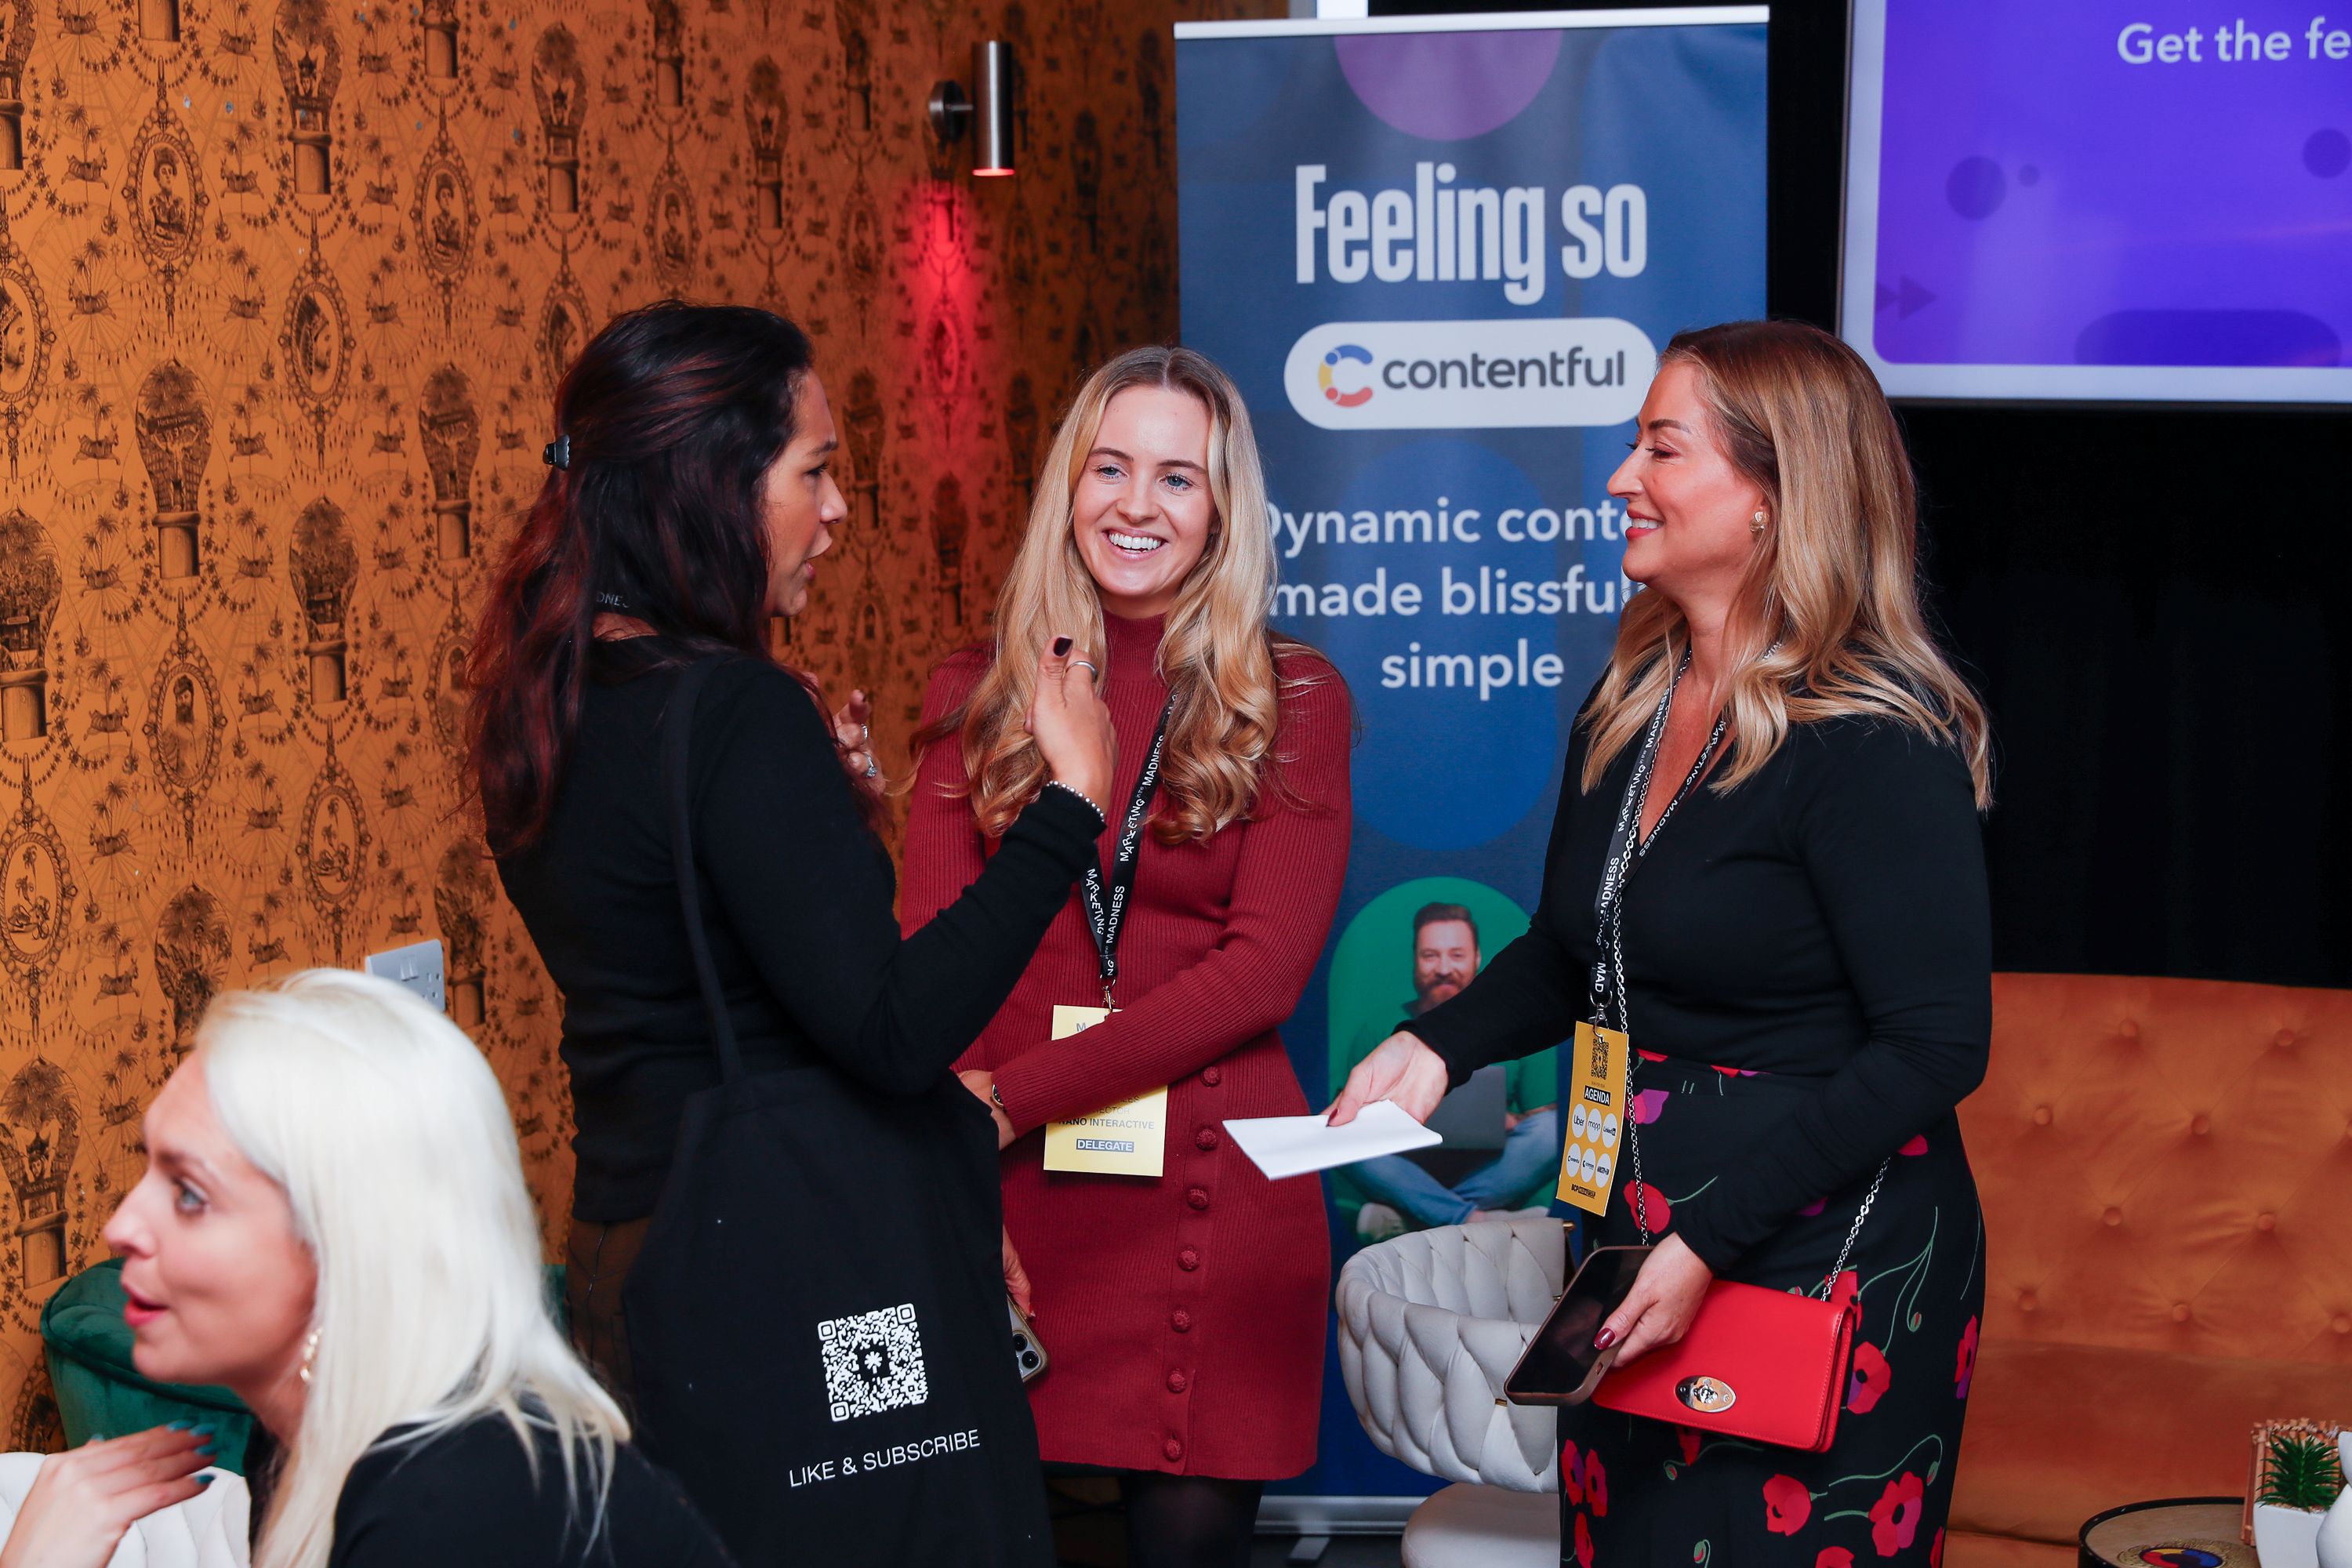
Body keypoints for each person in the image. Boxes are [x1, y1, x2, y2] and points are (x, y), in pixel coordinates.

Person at [1331, 319, 1992, 1565]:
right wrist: (1433, 1052)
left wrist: (1707, 1241)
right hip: (1635, 1237)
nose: (1622, 478)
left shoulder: (1872, 740)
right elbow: (1577, 955)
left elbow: (1938, 1043)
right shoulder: (1631, 701)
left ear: (1770, 497)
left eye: (1661, 448)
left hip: (1818, 1257)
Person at [469, 302, 1115, 1566]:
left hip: (634, 1251)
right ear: (714, 482)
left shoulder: (549, 697)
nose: (837, 511)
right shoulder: (736, 713)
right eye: (813, 470)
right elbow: (890, 1029)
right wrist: (1069, 804)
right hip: (794, 1265)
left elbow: (672, 938)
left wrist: (826, 819)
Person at [902, 346, 1351, 1568]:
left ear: (1222, 511)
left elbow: (1261, 973)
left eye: (1178, 478)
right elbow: (927, 969)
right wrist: (959, 1161)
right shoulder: (971, 693)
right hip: (1003, 1186)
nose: (1137, 506)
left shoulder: (1291, 697)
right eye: (1110, 468)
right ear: (1068, 486)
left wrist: (1012, 1101)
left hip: (1203, 1193)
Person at [2, 968, 731, 1568]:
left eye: (189, 1193)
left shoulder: (447, 1505)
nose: (121, 1225)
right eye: (146, 1172)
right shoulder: (296, 1450)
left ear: (344, 1245)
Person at [1345, 902, 1559, 1236]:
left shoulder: (1520, 1025)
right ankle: (1474, 1221)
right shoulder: (1378, 1029)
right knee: (1345, 1141)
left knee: (1553, 1131)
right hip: (1404, 1168)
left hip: (1488, 1172)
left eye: (1456, 955)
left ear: (1477, 958)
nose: (1443, 968)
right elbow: (1351, 1118)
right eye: (1431, 955)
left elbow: (1542, 1116)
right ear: (1414, 960)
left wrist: (1509, 1122)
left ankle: (1417, 1219)